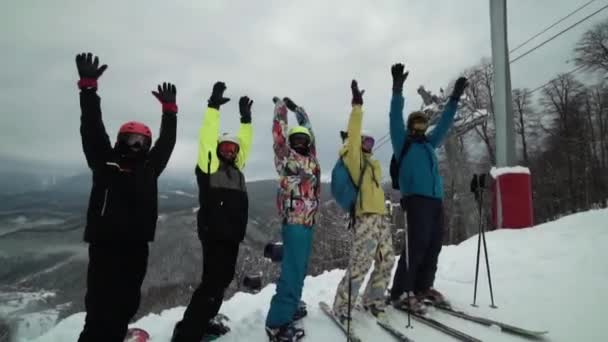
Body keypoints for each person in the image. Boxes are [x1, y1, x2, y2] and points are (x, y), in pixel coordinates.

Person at [76, 52, 178, 341]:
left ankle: (117, 333)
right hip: (106, 245)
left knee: (126, 302)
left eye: (141, 142)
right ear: (120, 141)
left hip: (136, 245)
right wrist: (88, 89)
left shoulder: (149, 168)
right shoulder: (104, 162)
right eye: (130, 140)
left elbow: (167, 143)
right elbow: (92, 129)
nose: (134, 147)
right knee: (99, 307)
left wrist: (170, 113)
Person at [171, 82, 253, 342]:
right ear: (217, 151)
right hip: (215, 234)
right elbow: (207, 138)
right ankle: (188, 333)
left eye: (233, 149)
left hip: (231, 236)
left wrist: (246, 120)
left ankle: (202, 322)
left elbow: (246, 144)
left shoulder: (237, 171)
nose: (229, 151)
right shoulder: (209, 168)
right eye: (224, 148)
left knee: (220, 282)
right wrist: (213, 107)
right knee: (211, 285)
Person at [388, 62, 468, 313]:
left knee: (433, 245)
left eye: (424, 124)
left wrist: (454, 98)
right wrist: (397, 90)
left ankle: (423, 286)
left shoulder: (429, 144)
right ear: (411, 127)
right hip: (416, 200)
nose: (422, 128)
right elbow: (394, 118)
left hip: (435, 201)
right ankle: (401, 291)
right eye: (417, 125)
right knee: (416, 245)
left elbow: (444, 124)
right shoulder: (403, 144)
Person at [332, 80, 395, 322]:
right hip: (366, 217)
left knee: (387, 260)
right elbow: (354, 133)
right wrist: (357, 107)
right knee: (360, 262)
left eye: (371, 142)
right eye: (364, 142)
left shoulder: (373, 166)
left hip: (381, 218)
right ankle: (342, 305)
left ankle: (374, 300)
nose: (368, 145)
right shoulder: (354, 160)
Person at [265, 97, 321, 341]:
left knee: (299, 269)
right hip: (295, 222)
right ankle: (277, 323)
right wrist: (280, 108)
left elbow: (310, 130)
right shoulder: (285, 157)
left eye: (303, 139)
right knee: (292, 270)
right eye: (295, 139)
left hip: (308, 223)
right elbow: (278, 133)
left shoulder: (312, 160)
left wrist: (299, 110)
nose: (300, 142)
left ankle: (291, 304)